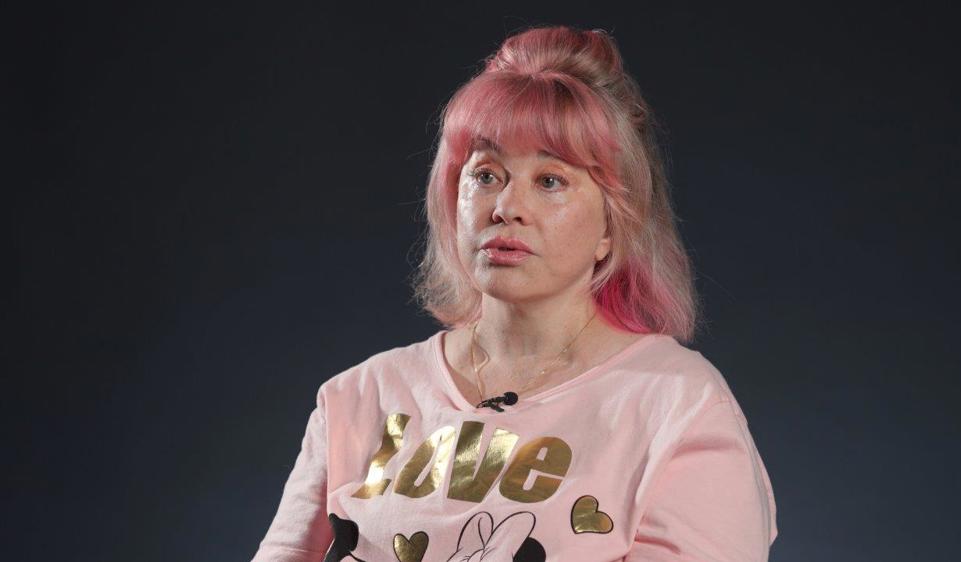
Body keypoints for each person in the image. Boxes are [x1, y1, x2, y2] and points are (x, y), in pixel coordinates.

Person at [251, 25, 777, 562]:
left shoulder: (677, 405)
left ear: (612, 224)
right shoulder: (357, 398)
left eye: (550, 180)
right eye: (486, 175)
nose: (506, 207)